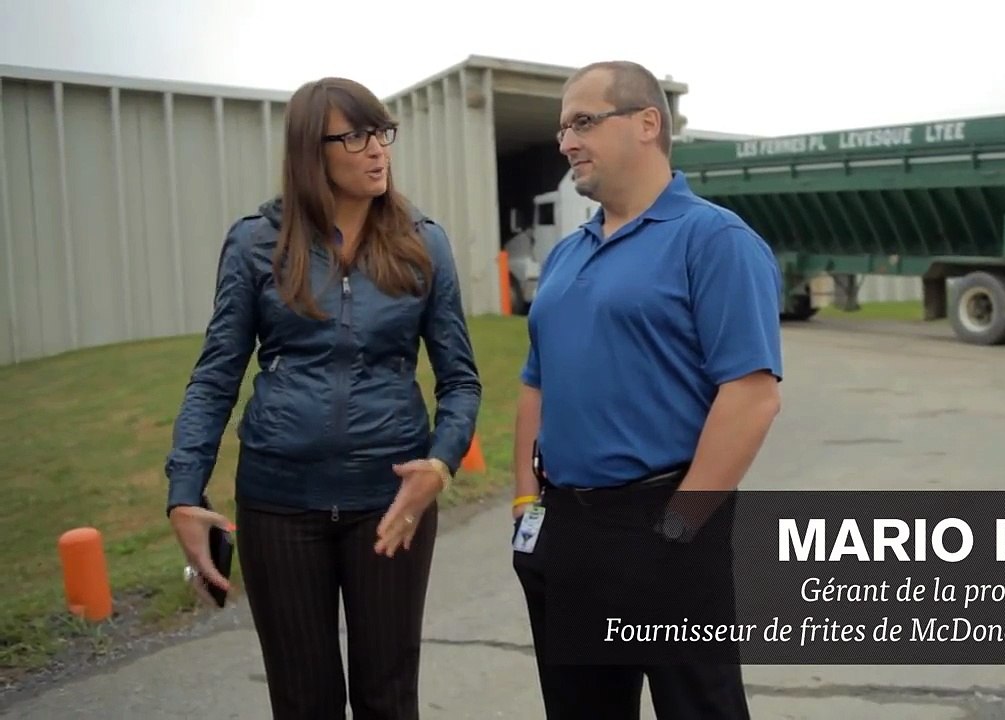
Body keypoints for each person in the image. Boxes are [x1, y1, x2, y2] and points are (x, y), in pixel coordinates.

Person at [163, 77, 481, 719]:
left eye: (382, 134)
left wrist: (440, 465)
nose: (377, 151)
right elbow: (216, 374)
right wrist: (184, 492)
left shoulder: (424, 242)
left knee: (388, 698)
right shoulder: (257, 241)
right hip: (279, 504)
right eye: (356, 136)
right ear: (313, 150)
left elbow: (461, 380)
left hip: (388, 504)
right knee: (303, 701)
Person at [510, 60, 783, 719]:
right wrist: (525, 503)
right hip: (566, 527)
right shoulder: (568, 254)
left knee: (700, 708)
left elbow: (750, 394)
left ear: (646, 124)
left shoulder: (714, 241)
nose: (566, 141)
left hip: (665, 521)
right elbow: (535, 383)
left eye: (582, 122)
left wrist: (680, 526)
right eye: (561, 128)